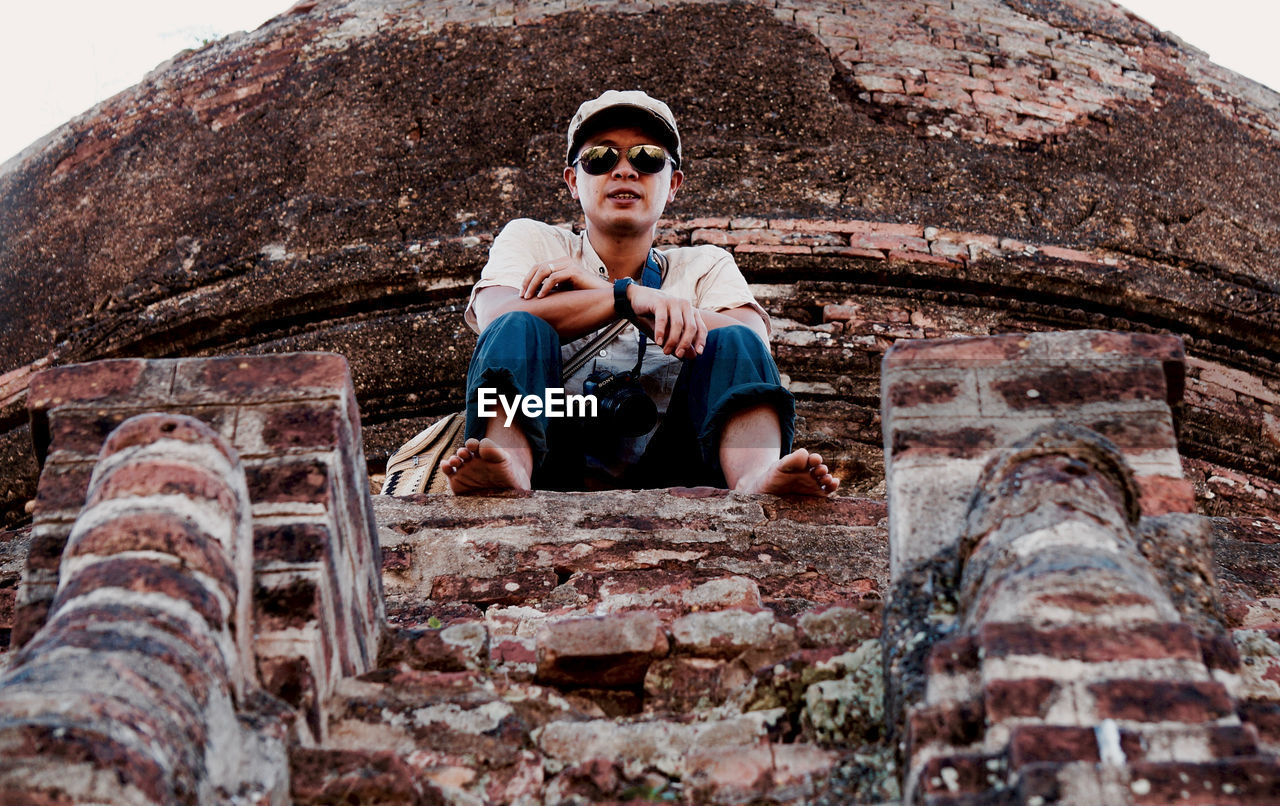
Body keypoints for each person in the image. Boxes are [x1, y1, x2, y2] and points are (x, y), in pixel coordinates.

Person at [440, 90, 839, 497]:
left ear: (673, 185)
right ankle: (507, 465)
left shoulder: (704, 266)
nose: (624, 171)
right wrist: (629, 298)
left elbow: (751, 339)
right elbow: (497, 319)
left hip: (675, 464)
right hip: (549, 454)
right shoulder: (533, 241)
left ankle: (755, 476)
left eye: (647, 158)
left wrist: (612, 292)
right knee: (521, 326)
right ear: (574, 181)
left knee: (732, 339)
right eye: (601, 158)